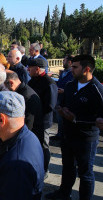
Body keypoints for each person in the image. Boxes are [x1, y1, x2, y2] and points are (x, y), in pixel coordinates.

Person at [45, 55, 103, 200]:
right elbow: (63, 102)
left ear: (87, 69)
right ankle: (64, 193)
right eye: (71, 66)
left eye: (75, 67)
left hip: (86, 138)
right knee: (68, 166)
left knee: (85, 173)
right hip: (68, 134)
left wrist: (76, 119)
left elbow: (99, 119)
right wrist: (60, 109)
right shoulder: (70, 85)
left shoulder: (97, 89)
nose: (71, 69)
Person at [27, 58, 58, 178]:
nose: (28, 69)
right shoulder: (32, 81)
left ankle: (44, 169)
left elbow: (50, 105)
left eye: (31, 67)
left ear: (38, 69)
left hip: (43, 121)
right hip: (32, 120)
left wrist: (36, 111)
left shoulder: (49, 83)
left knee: (43, 145)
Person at [5, 70, 43, 143]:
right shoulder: (20, 92)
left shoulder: (26, 97)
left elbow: (28, 126)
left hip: (29, 141)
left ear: (11, 83)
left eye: (3, 87)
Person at [51, 54, 74, 140]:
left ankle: (65, 135)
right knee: (59, 118)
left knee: (65, 118)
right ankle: (60, 134)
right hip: (59, 98)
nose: (62, 62)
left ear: (69, 62)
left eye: (64, 60)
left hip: (67, 99)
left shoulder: (72, 73)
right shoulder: (63, 72)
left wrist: (64, 91)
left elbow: (73, 87)